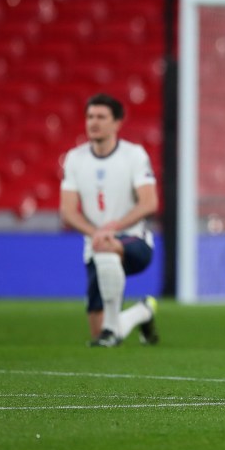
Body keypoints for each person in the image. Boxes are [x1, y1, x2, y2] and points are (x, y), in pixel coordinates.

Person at [59, 93, 160, 347]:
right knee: (97, 330)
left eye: (101, 117)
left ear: (117, 123)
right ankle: (142, 312)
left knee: (107, 247)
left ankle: (112, 332)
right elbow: (68, 212)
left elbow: (149, 203)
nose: (94, 122)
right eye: (90, 117)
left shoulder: (133, 155)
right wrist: (96, 233)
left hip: (134, 241)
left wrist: (112, 228)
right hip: (96, 244)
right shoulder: (75, 158)